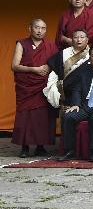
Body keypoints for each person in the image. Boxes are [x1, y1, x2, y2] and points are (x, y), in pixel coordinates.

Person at [12, 19, 58, 158]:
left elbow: (55, 63)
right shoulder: (22, 44)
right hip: (27, 85)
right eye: (37, 27)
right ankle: (24, 147)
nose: (40, 31)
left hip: (43, 86)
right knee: (25, 116)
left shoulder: (51, 45)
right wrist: (34, 69)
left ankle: (40, 146)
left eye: (43, 28)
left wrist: (48, 68)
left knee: (43, 116)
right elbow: (15, 65)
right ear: (30, 28)